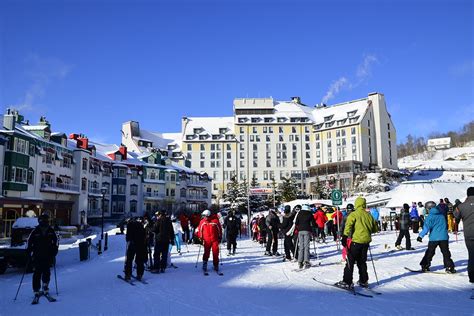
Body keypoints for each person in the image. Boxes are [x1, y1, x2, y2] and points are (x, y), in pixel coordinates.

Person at [336, 197, 378, 289]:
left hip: (356, 241)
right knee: (362, 262)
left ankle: (347, 281)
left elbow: (348, 225)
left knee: (350, 261)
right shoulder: (369, 215)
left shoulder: (354, 214)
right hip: (366, 242)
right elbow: (375, 229)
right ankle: (364, 280)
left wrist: (344, 237)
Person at [417, 201, 456, 273]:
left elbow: (426, 228)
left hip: (434, 238)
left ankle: (425, 265)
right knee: (446, 252)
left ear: (429, 208)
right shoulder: (442, 215)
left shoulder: (430, 217)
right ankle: (449, 266)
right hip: (444, 237)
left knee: (430, 252)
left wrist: (420, 236)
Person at [27, 213, 59, 300]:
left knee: (46, 271)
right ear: (39, 221)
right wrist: (29, 250)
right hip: (37, 255)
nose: (45, 222)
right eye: (42, 220)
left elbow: (56, 241)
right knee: (37, 272)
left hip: (48, 255)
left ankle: (45, 286)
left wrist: (55, 250)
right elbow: (29, 241)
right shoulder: (35, 231)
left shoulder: (51, 231)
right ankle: (36, 289)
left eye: (46, 220)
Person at [454, 187, 474, 284]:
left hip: (469, 234)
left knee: (472, 255)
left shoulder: (462, 206)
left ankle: (472, 276)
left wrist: (458, 206)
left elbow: (456, 218)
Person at [295, 204, 316, 269]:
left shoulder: (299, 213)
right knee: (306, 246)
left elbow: (296, 223)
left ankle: (300, 261)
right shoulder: (309, 214)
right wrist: (314, 228)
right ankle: (306, 261)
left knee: (301, 246)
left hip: (300, 231)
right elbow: (313, 223)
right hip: (307, 230)